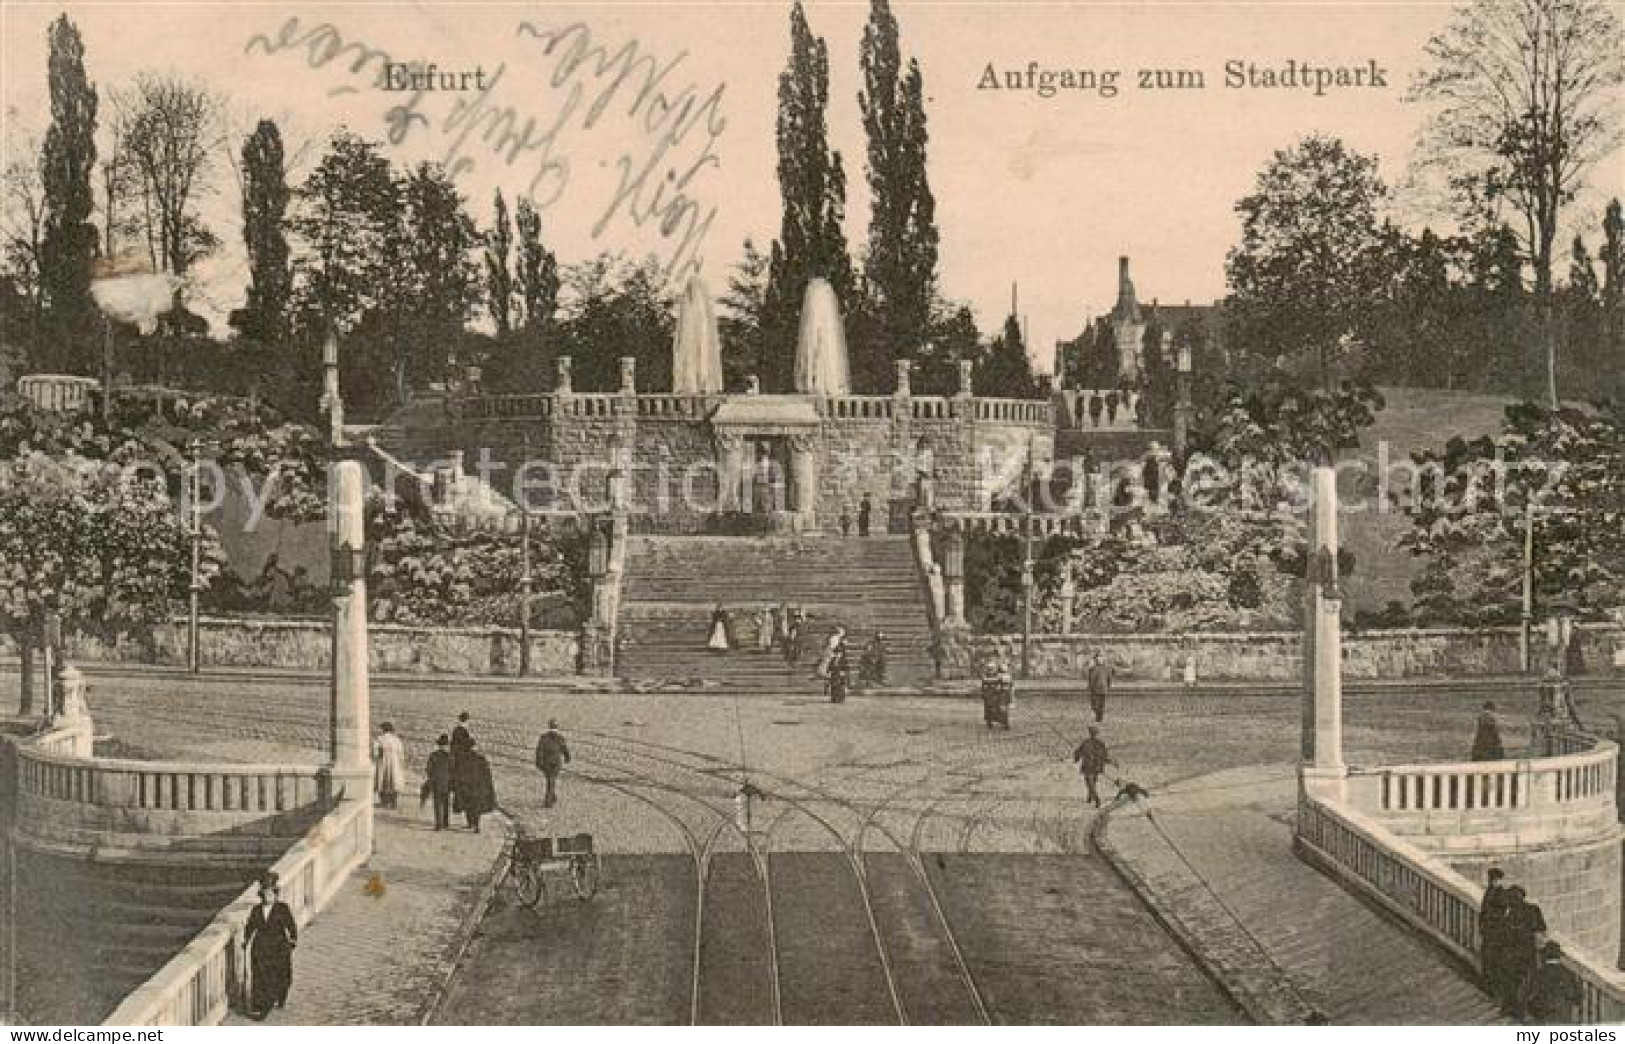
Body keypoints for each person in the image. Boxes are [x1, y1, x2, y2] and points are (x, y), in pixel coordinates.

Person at [245, 875, 297, 1019]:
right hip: (261, 946)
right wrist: (246, 940)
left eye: (271, 893)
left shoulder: (282, 908)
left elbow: (291, 925)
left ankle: (279, 996)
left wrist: (293, 939)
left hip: (279, 946)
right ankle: (260, 1006)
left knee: (280, 974)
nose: (268, 897)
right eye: (265, 894)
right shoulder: (256, 910)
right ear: (261, 895)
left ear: (275, 894)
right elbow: (250, 926)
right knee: (260, 976)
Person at [1500, 886, 1548, 1017]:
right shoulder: (1533, 909)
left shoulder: (1511, 914)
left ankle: (1512, 1007)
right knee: (1526, 982)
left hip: (1513, 953)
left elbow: (1505, 934)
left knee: (1513, 980)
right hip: (1528, 952)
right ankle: (1519, 1008)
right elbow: (1542, 928)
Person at [1478, 867, 1513, 997]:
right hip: (1489, 931)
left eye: (1495, 880)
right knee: (1488, 958)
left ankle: (1493, 987)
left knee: (1494, 959)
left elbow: (1505, 912)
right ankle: (1488, 984)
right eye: (1492, 880)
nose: (1493, 882)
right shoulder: (1489, 891)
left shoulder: (1501, 894)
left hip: (1496, 932)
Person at [1527, 941, 1579, 1023]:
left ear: (1544, 956)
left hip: (1544, 1015)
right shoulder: (1569, 973)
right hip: (1564, 1014)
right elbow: (1575, 995)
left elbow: (1532, 994)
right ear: (1559, 956)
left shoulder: (1539, 974)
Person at [457, 738, 497, 832]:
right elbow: (487, 773)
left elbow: (458, 772)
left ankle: (470, 823)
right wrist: (488, 785)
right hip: (477, 786)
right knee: (476, 806)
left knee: (468, 805)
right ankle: (476, 824)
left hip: (466, 786)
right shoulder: (480, 758)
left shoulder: (462, 759)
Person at [535, 719, 571, 809]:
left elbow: (539, 751)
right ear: (557, 727)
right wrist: (567, 758)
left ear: (549, 726)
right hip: (556, 763)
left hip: (546, 763)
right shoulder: (560, 738)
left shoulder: (543, 737)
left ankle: (552, 796)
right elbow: (564, 749)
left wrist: (538, 762)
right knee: (552, 780)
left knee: (550, 780)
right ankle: (548, 800)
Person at [422, 734, 454, 830]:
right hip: (447, 782)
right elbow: (453, 770)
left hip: (436, 782)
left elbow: (428, 769)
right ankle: (445, 822)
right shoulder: (450, 757)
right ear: (447, 745)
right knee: (446, 802)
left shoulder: (433, 755)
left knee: (437, 803)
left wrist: (431, 777)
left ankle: (438, 824)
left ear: (439, 745)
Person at [1073, 727, 1112, 807]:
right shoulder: (1100, 743)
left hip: (1088, 766)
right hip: (1097, 767)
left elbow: (1078, 752)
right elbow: (1104, 755)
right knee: (1092, 782)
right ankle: (1089, 797)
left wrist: (1076, 756)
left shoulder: (1086, 743)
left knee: (1089, 783)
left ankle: (1096, 799)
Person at [373, 722, 405, 809]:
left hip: (383, 763)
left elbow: (375, 754)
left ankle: (384, 802)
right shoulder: (397, 740)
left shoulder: (379, 739)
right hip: (395, 763)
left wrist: (377, 759)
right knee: (394, 782)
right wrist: (401, 764)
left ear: (383, 729)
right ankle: (393, 802)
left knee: (383, 781)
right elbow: (401, 754)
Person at [1087, 653, 1113, 724]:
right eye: (1099, 658)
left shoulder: (1107, 669)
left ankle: (1099, 718)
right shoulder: (1093, 669)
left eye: (1102, 658)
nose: (1100, 660)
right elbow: (1091, 679)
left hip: (1103, 689)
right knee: (1094, 705)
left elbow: (1109, 679)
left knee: (1101, 705)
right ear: (1096, 660)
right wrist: (1090, 688)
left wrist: (1107, 687)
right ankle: (1098, 717)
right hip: (1095, 690)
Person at [826, 638, 851, 703]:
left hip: (840, 675)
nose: (837, 655)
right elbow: (830, 666)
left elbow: (846, 667)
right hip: (834, 675)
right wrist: (829, 671)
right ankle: (834, 698)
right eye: (836, 653)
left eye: (839, 654)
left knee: (840, 687)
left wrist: (844, 672)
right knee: (834, 687)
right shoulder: (833, 660)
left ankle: (840, 698)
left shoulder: (843, 660)